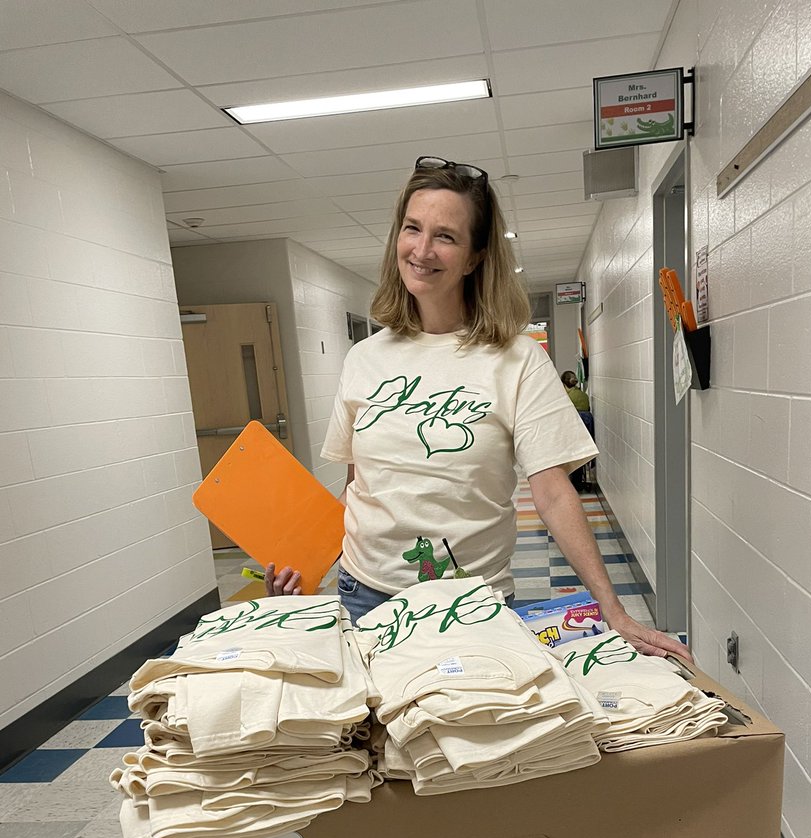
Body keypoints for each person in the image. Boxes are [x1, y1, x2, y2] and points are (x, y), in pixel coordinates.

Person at [267, 155, 689, 661]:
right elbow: (360, 485)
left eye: (445, 236)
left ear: (473, 257)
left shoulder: (516, 360)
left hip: (470, 604)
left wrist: (613, 612)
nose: (422, 250)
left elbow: (554, 495)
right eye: (412, 229)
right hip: (367, 598)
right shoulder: (364, 357)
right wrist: (304, 567)